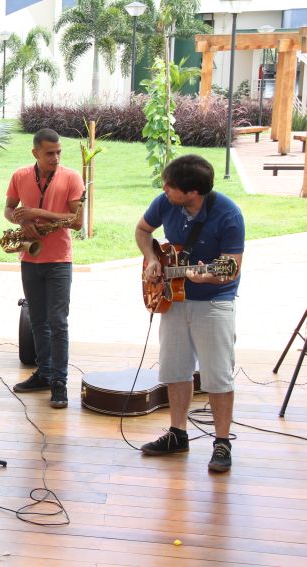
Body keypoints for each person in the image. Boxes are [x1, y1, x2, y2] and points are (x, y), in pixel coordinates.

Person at [135, 154, 244, 473]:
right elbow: (142, 230)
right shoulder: (165, 202)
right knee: (175, 368)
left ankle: (222, 442)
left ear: (192, 192)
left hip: (214, 301)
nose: (164, 190)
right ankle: (177, 433)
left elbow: (232, 268)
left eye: (170, 186)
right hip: (173, 300)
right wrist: (151, 259)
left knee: (217, 374)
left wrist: (206, 276)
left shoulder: (229, 215)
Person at [4, 128, 84, 409]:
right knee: (37, 319)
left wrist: (37, 213)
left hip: (59, 259)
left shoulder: (71, 177)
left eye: (59, 152)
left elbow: (77, 221)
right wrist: (22, 221)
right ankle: (45, 372)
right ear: (35, 153)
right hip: (30, 257)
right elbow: (9, 209)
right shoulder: (20, 175)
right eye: (50, 153)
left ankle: (59, 381)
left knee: (58, 322)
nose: (56, 158)